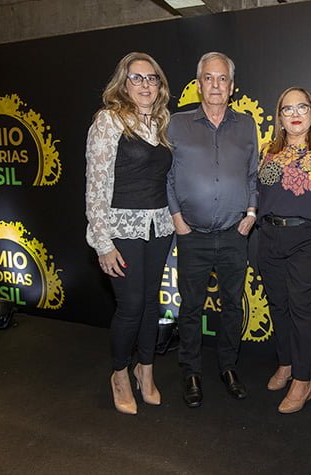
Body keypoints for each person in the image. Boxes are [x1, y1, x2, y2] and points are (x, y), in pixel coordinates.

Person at [167, 52, 258, 408]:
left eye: (222, 79)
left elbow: (252, 174)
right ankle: (191, 372)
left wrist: (251, 212)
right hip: (193, 235)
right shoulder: (176, 124)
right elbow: (167, 175)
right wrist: (177, 218)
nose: (216, 85)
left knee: (232, 306)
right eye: (209, 77)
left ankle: (228, 367)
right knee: (190, 307)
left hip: (235, 234)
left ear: (232, 86)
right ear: (198, 84)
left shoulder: (246, 125)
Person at [85, 52, 175, 415]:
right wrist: (102, 243)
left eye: (152, 78)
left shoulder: (162, 123)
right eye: (136, 78)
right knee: (131, 305)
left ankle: (146, 370)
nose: (145, 84)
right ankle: (120, 374)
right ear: (123, 83)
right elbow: (96, 185)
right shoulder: (108, 121)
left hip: (159, 226)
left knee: (152, 302)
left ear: (160, 85)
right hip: (122, 228)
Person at [257, 87, 311, 414]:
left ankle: (303, 380)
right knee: (278, 305)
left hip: (309, 241)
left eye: (302, 108)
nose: (295, 114)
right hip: (269, 237)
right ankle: (286, 364)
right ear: (279, 118)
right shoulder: (267, 152)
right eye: (287, 109)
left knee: (303, 310)